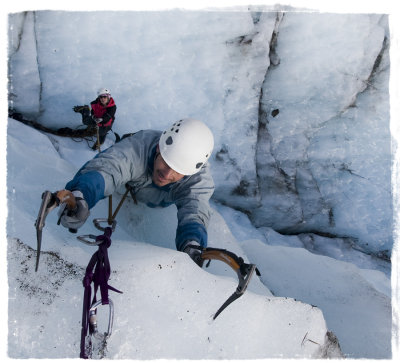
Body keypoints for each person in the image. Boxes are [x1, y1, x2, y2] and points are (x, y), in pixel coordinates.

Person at [58, 118, 215, 265]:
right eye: (166, 162)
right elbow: (108, 169)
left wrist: (193, 242)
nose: (167, 174)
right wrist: (81, 195)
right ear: (159, 148)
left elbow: (195, 208)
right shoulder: (138, 147)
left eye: (177, 171)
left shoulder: (197, 179)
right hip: (125, 186)